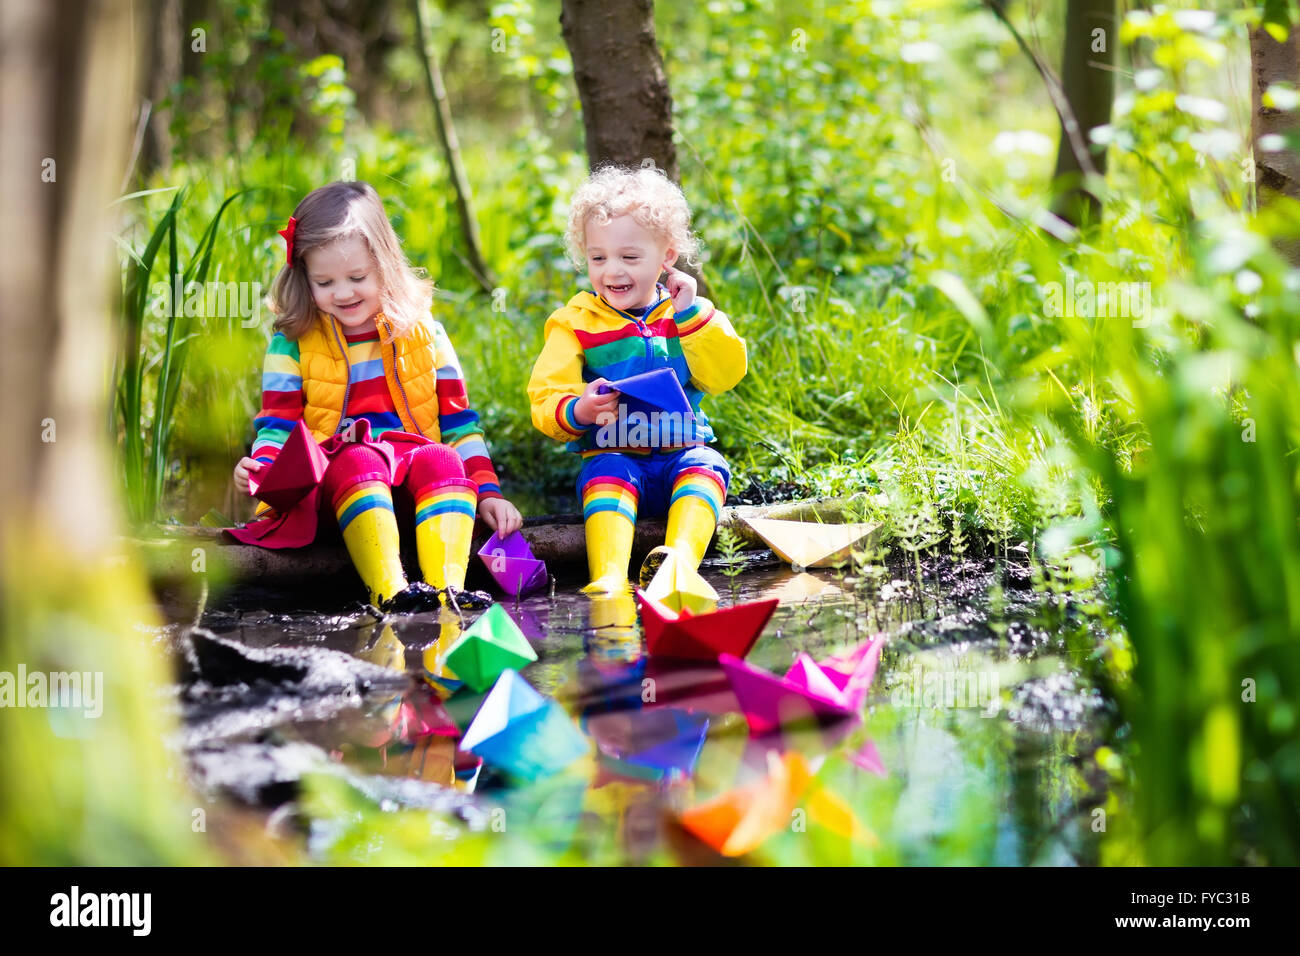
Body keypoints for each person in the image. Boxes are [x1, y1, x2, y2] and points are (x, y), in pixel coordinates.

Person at [228, 180, 521, 612]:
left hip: (417, 495)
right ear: (303, 275)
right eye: (324, 281)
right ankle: (392, 594)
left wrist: (489, 491)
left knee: (443, 457)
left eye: (357, 277)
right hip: (337, 492)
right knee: (360, 457)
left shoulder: (424, 334)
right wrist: (263, 472)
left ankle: (448, 594)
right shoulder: (293, 344)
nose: (343, 293)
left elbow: (460, 422)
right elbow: (279, 426)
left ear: (384, 264)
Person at [526, 165, 747, 600]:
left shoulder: (684, 314)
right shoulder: (575, 324)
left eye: (629, 257)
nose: (612, 271)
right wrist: (579, 409)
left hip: (679, 453)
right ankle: (608, 575)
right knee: (607, 470)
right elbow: (545, 394)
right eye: (598, 258)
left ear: (666, 256)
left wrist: (692, 317)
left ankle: (679, 562)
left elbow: (726, 374)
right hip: (615, 456)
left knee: (709, 467)